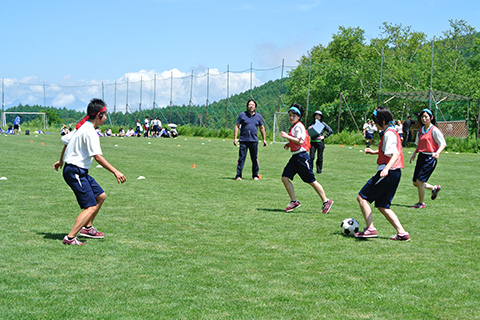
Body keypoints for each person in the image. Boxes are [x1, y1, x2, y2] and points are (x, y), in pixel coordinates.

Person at [53, 98, 126, 245]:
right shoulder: (90, 132)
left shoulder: (81, 127)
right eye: (105, 115)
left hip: (78, 170)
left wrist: (61, 160)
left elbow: (67, 143)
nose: (106, 117)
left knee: (100, 196)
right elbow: (98, 157)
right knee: (90, 206)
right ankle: (70, 238)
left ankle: (87, 228)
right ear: (99, 115)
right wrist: (116, 171)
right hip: (75, 171)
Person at [355, 106, 410, 241]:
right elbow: (390, 151)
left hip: (388, 173)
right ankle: (402, 233)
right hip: (394, 173)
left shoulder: (389, 133)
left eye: (376, 121)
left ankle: (370, 228)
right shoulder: (391, 131)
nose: (374, 123)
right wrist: (374, 152)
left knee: (362, 197)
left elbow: (395, 154)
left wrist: (386, 169)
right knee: (382, 205)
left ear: (383, 121)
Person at [280, 104, 334, 214]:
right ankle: (294, 201)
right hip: (295, 157)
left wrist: (287, 137)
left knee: (311, 181)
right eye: (290, 115)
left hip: (301, 157)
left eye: (294, 115)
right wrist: (289, 143)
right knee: (285, 178)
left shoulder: (299, 126)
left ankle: (326, 201)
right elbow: (297, 140)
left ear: (299, 117)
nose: (291, 117)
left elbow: (300, 141)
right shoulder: (295, 126)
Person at [410, 108, 446, 209]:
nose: (424, 119)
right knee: (415, 182)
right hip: (421, 156)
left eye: (426, 117)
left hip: (430, 157)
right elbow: (419, 144)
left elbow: (443, 143)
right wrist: (414, 154)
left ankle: (421, 203)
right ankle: (434, 188)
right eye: (422, 117)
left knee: (420, 181)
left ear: (431, 118)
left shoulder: (435, 130)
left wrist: (437, 153)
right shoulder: (421, 130)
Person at [233, 99, 267, 180]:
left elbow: (262, 128)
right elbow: (237, 126)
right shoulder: (242, 115)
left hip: (254, 141)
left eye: (253, 105)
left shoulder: (258, 116)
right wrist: (235, 138)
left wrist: (264, 139)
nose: (251, 106)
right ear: (247, 106)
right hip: (243, 140)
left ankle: (255, 175)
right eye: (249, 104)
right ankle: (238, 175)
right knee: (241, 158)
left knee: (254, 158)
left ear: (255, 106)